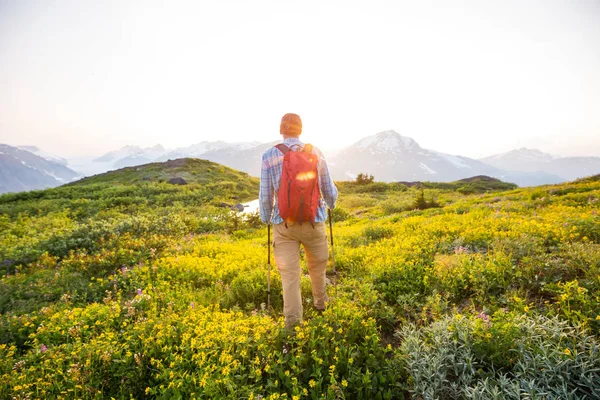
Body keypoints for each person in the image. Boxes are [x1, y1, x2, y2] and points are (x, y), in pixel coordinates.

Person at [259, 113, 338, 330]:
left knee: (290, 277)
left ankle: (293, 326)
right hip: (314, 222)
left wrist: (267, 218)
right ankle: (321, 306)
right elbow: (328, 190)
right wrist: (331, 204)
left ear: (281, 130)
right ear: (300, 130)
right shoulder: (316, 152)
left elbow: (266, 197)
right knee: (317, 267)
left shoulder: (269, 155)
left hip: (284, 225)